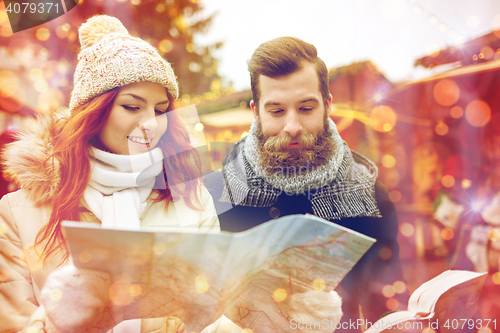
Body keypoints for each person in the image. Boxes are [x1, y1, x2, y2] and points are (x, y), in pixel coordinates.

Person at [0, 15, 220, 333]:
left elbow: (211, 312)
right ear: (94, 112)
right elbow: (12, 325)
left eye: (160, 110)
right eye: (132, 106)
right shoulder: (18, 212)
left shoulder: (190, 196)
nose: (150, 123)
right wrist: (65, 312)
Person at [204, 37, 408, 332]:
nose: (292, 127)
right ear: (255, 112)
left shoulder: (369, 195)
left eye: (306, 108)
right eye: (276, 111)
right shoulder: (215, 193)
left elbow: (386, 308)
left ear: (327, 106)